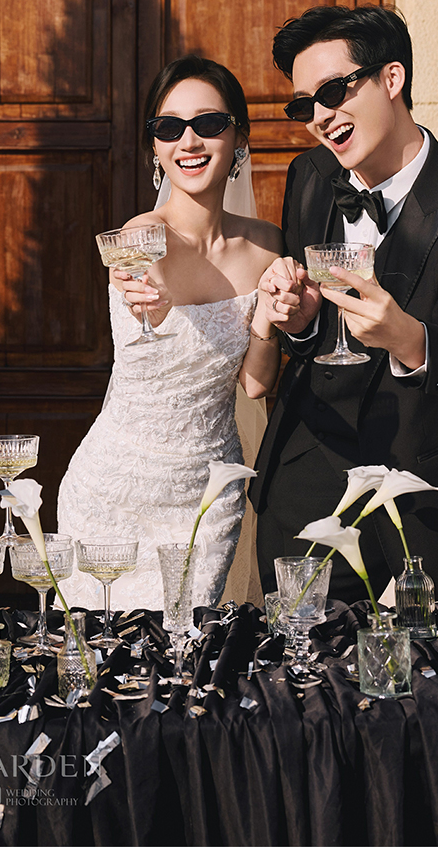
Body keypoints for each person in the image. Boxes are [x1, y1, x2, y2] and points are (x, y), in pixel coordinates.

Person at [250, 5, 438, 602]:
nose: (319, 118)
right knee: (297, 656)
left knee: (419, 663)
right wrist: (300, 323)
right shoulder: (308, 176)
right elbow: (306, 325)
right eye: (304, 106)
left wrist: (404, 335)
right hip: (303, 478)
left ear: (391, 78)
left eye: (332, 92)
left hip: (419, 496)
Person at [58, 55, 282, 611]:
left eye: (209, 123)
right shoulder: (141, 236)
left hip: (207, 497)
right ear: (155, 148)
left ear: (239, 139)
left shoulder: (267, 246)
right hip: (113, 490)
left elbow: (256, 385)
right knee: (107, 654)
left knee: (189, 650)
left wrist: (267, 318)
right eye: (169, 127)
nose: (189, 141)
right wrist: (143, 300)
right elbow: (133, 282)